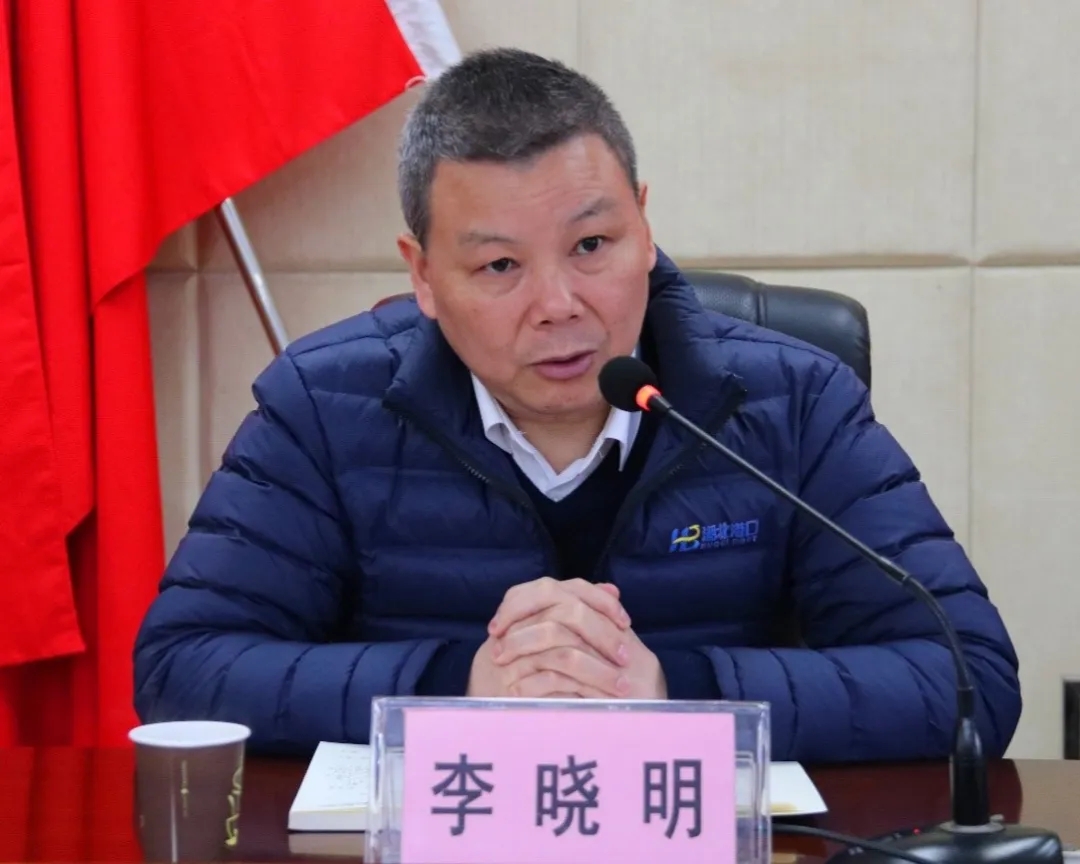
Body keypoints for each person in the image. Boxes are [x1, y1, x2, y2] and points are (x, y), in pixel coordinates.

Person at [133, 47, 1021, 762]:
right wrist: (461, 687)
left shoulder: (792, 401)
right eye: (499, 266)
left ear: (645, 225)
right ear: (424, 276)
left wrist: (673, 692)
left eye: (592, 244)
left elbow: (966, 678)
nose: (558, 305)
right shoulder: (327, 404)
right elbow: (183, 670)